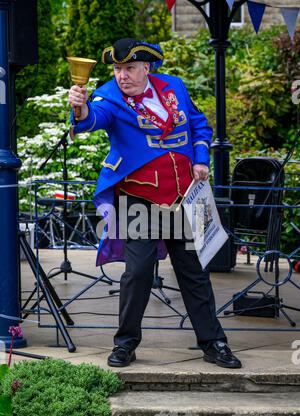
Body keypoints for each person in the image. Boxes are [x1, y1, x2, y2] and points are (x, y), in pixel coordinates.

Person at [68, 38, 241, 369]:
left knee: (195, 273)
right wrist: (79, 106)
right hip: (140, 201)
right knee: (138, 273)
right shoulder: (108, 95)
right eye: (118, 69)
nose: (122, 76)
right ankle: (125, 343)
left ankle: (213, 342)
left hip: (182, 199)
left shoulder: (173, 86)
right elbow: (91, 120)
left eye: (130, 68)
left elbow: (199, 125)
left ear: (147, 68)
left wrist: (201, 158)